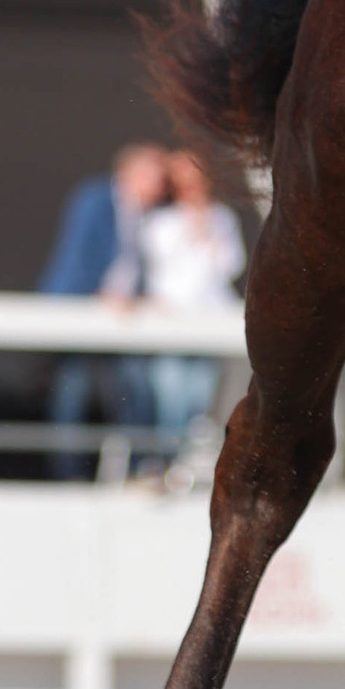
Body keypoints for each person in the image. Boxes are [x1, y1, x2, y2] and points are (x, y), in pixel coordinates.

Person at [38, 142, 169, 478]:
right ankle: (67, 475)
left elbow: (134, 268)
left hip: (119, 318)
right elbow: (79, 257)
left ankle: (137, 468)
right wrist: (101, 294)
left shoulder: (146, 216)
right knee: (72, 393)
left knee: (135, 389)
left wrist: (142, 297)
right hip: (80, 310)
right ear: (132, 173)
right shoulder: (95, 199)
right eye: (157, 177)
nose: (162, 187)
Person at [115, 150, 245, 447]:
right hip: (170, 320)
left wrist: (204, 224)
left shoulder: (222, 218)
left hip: (208, 320)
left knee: (201, 398)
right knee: (171, 397)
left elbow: (229, 264)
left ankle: (186, 464)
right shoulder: (159, 221)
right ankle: (163, 462)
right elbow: (160, 266)